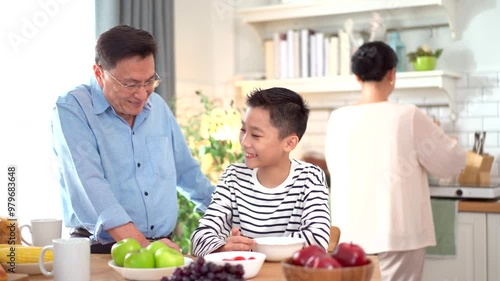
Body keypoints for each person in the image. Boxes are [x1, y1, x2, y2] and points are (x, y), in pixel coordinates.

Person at [51, 25, 215, 253]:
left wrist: (230, 215)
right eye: (130, 84)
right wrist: (143, 246)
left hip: (161, 246)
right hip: (102, 251)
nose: (142, 94)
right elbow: (90, 183)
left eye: (149, 81)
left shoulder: (157, 107)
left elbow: (188, 173)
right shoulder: (73, 109)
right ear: (100, 73)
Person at [325, 41, 466, 281]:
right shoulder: (407, 115)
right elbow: (451, 162)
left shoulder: (337, 119)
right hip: (397, 237)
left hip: (347, 236)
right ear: (392, 74)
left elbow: (335, 168)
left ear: (357, 77)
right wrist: (448, 141)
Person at [190, 87, 331, 257]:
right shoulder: (233, 177)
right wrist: (224, 247)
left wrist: (250, 247)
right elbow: (199, 239)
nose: (244, 142)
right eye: (243, 130)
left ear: (289, 143)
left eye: (255, 135)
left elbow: (317, 242)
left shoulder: (310, 177)